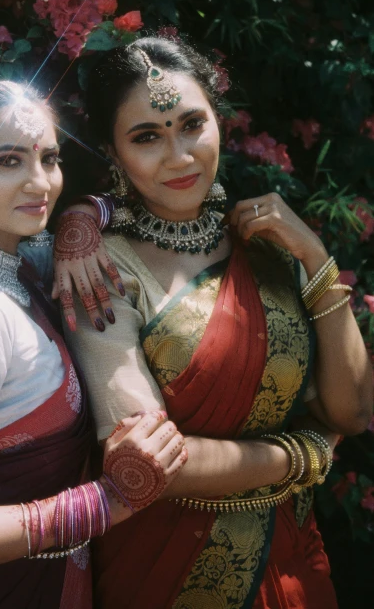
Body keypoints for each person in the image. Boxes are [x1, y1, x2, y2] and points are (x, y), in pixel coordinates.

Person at [57, 37, 372, 609]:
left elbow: (352, 410)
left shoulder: (268, 247)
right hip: (164, 568)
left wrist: (317, 257)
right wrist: (308, 455)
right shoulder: (102, 266)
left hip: (293, 555)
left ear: (218, 124)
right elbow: (153, 463)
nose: (179, 155)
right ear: (112, 151)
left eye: (191, 124)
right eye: (146, 136)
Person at [0, 78, 188, 609]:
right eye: (8, 161)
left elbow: (140, 201)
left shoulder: (16, 267)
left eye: (49, 158)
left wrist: (82, 219)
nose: (40, 182)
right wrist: (107, 502)